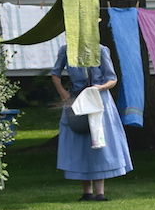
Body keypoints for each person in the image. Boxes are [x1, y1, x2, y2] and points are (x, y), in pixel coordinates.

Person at [50, 44, 134, 201]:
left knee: (98, 141)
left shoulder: (101, 50)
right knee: (80, 142)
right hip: (77, 100)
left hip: (99, 101)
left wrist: (99, 87)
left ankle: (100, 192)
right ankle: (87, 191)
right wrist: (62, 92)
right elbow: (55, 73)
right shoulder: (66, 49)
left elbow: (112, 79)